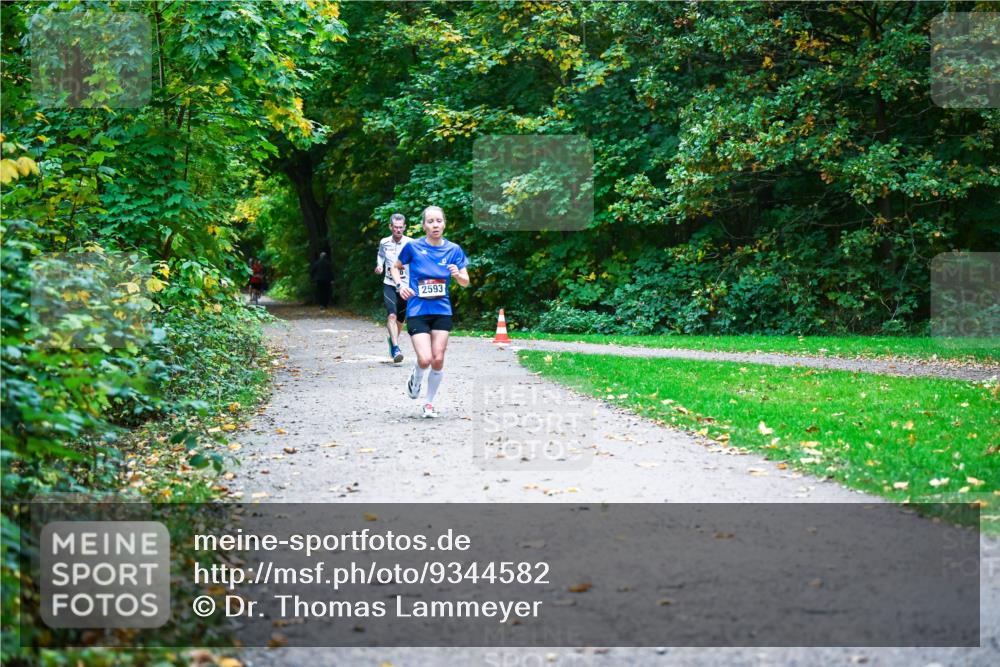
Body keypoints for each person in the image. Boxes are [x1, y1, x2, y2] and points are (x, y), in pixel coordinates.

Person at [390, 205, 469, 418]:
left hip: (442, 310)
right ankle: (416, 377)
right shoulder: (413, 247)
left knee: (438, 357)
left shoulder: (454, 250)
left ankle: (429, 403)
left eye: (439, 221)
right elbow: (395, 267)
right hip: (418, 309)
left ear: (444, 223)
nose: (435, 225)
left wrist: (458, 275)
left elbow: (465, 281)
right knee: (424, 359)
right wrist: (401, 286)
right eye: (431, 221)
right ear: (424, 225)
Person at [375, 214, 412, 363]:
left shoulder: (411, 243)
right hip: (389, 283)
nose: (398, 230)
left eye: (400, 227)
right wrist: (379, 265)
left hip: (405, 286)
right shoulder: (384, 242)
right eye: (395, 227)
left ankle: (393, 340)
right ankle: (396, 348)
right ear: (391, 227)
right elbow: (381, 256)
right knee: (392, 315)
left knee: (400, 321)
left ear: (404, 227)